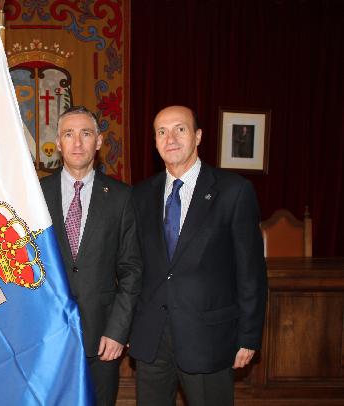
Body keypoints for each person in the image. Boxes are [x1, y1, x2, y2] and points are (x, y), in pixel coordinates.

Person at [128, 105, 267, 406]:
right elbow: (135, 267)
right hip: (151, 337)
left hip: (208, 337)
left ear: (198, 136)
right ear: (154, 141)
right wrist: (129, 325)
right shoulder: (140, 195)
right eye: (161, 132)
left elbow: (251, 271)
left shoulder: (233, 191)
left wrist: (249, 335)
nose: (171, 138)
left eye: (180, 129)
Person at [40, 106, 142, 405]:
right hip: (48, 334)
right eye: (68, 134)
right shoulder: (35, 194)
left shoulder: (122, 197)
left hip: (102, 337)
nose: (77, 143)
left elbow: (131, 270)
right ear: (58, 142)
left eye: (86, 134)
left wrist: (118, 330)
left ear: (98, 141)